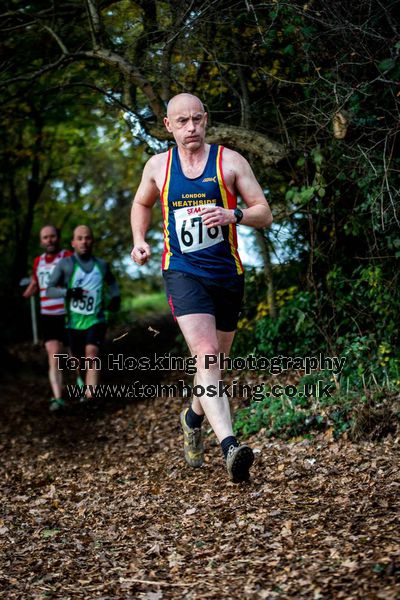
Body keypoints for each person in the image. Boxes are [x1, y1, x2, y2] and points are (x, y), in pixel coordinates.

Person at [131, 93, 273, 482]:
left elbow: (264, 211)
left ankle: (193, 417)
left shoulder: (229, 161)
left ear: (206, 120)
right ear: (168, 125)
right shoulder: (159, 166)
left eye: (196, 119)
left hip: (227, 275)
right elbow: (142, 203)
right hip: (182, 271)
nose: (190, 127)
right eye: (182, 121)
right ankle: (230, 447)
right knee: (206, 354)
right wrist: (139, 239)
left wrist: (234, 214)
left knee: (214, 365)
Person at [47, 225, 120, 398]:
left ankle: (90, 398)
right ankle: (82, 380)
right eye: (79, 238)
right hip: (74, 322)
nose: (84, 242)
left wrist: (115, 297)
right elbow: (49, 290)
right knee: (78, 361)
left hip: (96, 319)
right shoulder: (65, 264)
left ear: (92, 241)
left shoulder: (101, 265)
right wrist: (68, 292)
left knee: (92, 353)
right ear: (73, 242)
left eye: (87, 238)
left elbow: (112, 283)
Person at [23, 225, 72, 412]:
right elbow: (35, 282)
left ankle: (82, 388)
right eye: (45, 237)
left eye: (52, 236)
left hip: (68, 314)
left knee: (73, 355)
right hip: (48, 315)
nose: (49, 240)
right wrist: (25, 294)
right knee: (54, 356)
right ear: (41, 241)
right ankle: (58, 398)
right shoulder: (38, 261)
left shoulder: (67, 256)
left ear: (58, 238)